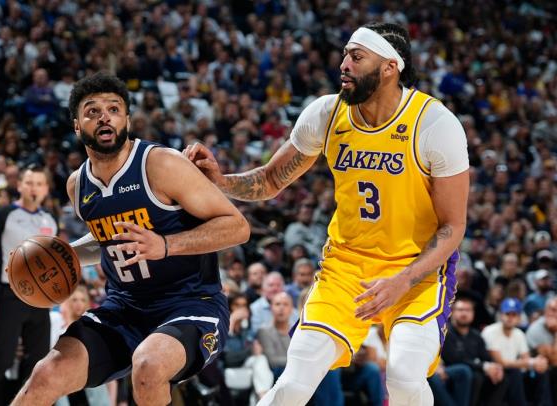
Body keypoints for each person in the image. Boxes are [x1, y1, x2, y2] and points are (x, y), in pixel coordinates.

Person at [185, 21, 469, 405]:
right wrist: (220, 180)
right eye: (344, 55)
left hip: (416, 272)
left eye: (356, 56)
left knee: (403, 376)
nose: (344, 64)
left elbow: (453, 227)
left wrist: (403, 280)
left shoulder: (434, 124)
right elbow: (270, 180)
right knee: (294, 383)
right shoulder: (326, 113)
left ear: (389, 67)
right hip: (345, 269)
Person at [12, 72, 250, 406]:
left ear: (127, 119)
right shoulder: (77, 185)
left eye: (113, 109)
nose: (104, 116)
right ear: (78, 126)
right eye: (92, 111)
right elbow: (110, 243)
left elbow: (237, 226)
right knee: (46, 374)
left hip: (190, 304)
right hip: (124, 309)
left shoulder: (161, 164)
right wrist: (64, 255)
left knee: (148, 366)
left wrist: (165, 245)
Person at [0, 163, 57, 406]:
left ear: (46, 188)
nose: (33, 188)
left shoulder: (50, 219)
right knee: (2, 358)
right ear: (19, 185)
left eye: (39, 183)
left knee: (39, 361)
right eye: (29, 182)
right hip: (11, 293)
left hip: (40, 297)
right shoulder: (3, 215)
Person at [482, 297, 552, 406]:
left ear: (519, 318)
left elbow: (526, 358)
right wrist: (530, 362)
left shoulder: (519, 333)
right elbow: (501, 362)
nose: (510, 318)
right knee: (514, 372)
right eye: (507, 314)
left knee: (541, 373)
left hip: (515, 371)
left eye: (514, 315)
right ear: (501, 315)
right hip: (495, 372)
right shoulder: (490, 331)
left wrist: (538, 363)